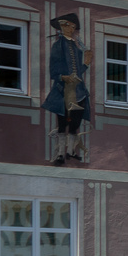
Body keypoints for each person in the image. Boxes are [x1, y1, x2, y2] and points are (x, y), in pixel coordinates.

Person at [44, 15, 94, 165]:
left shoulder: (77, 48)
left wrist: (86, 62)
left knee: (75, 123)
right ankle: (60, 154)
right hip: (62, 90)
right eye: (66, 25)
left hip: (78, 90)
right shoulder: (58, 46)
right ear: (61, 27)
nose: (70, 29)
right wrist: (63, 77)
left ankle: (71, 151)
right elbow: (53, 71)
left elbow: (79, 70)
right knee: (62, 122)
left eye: (72, 26)